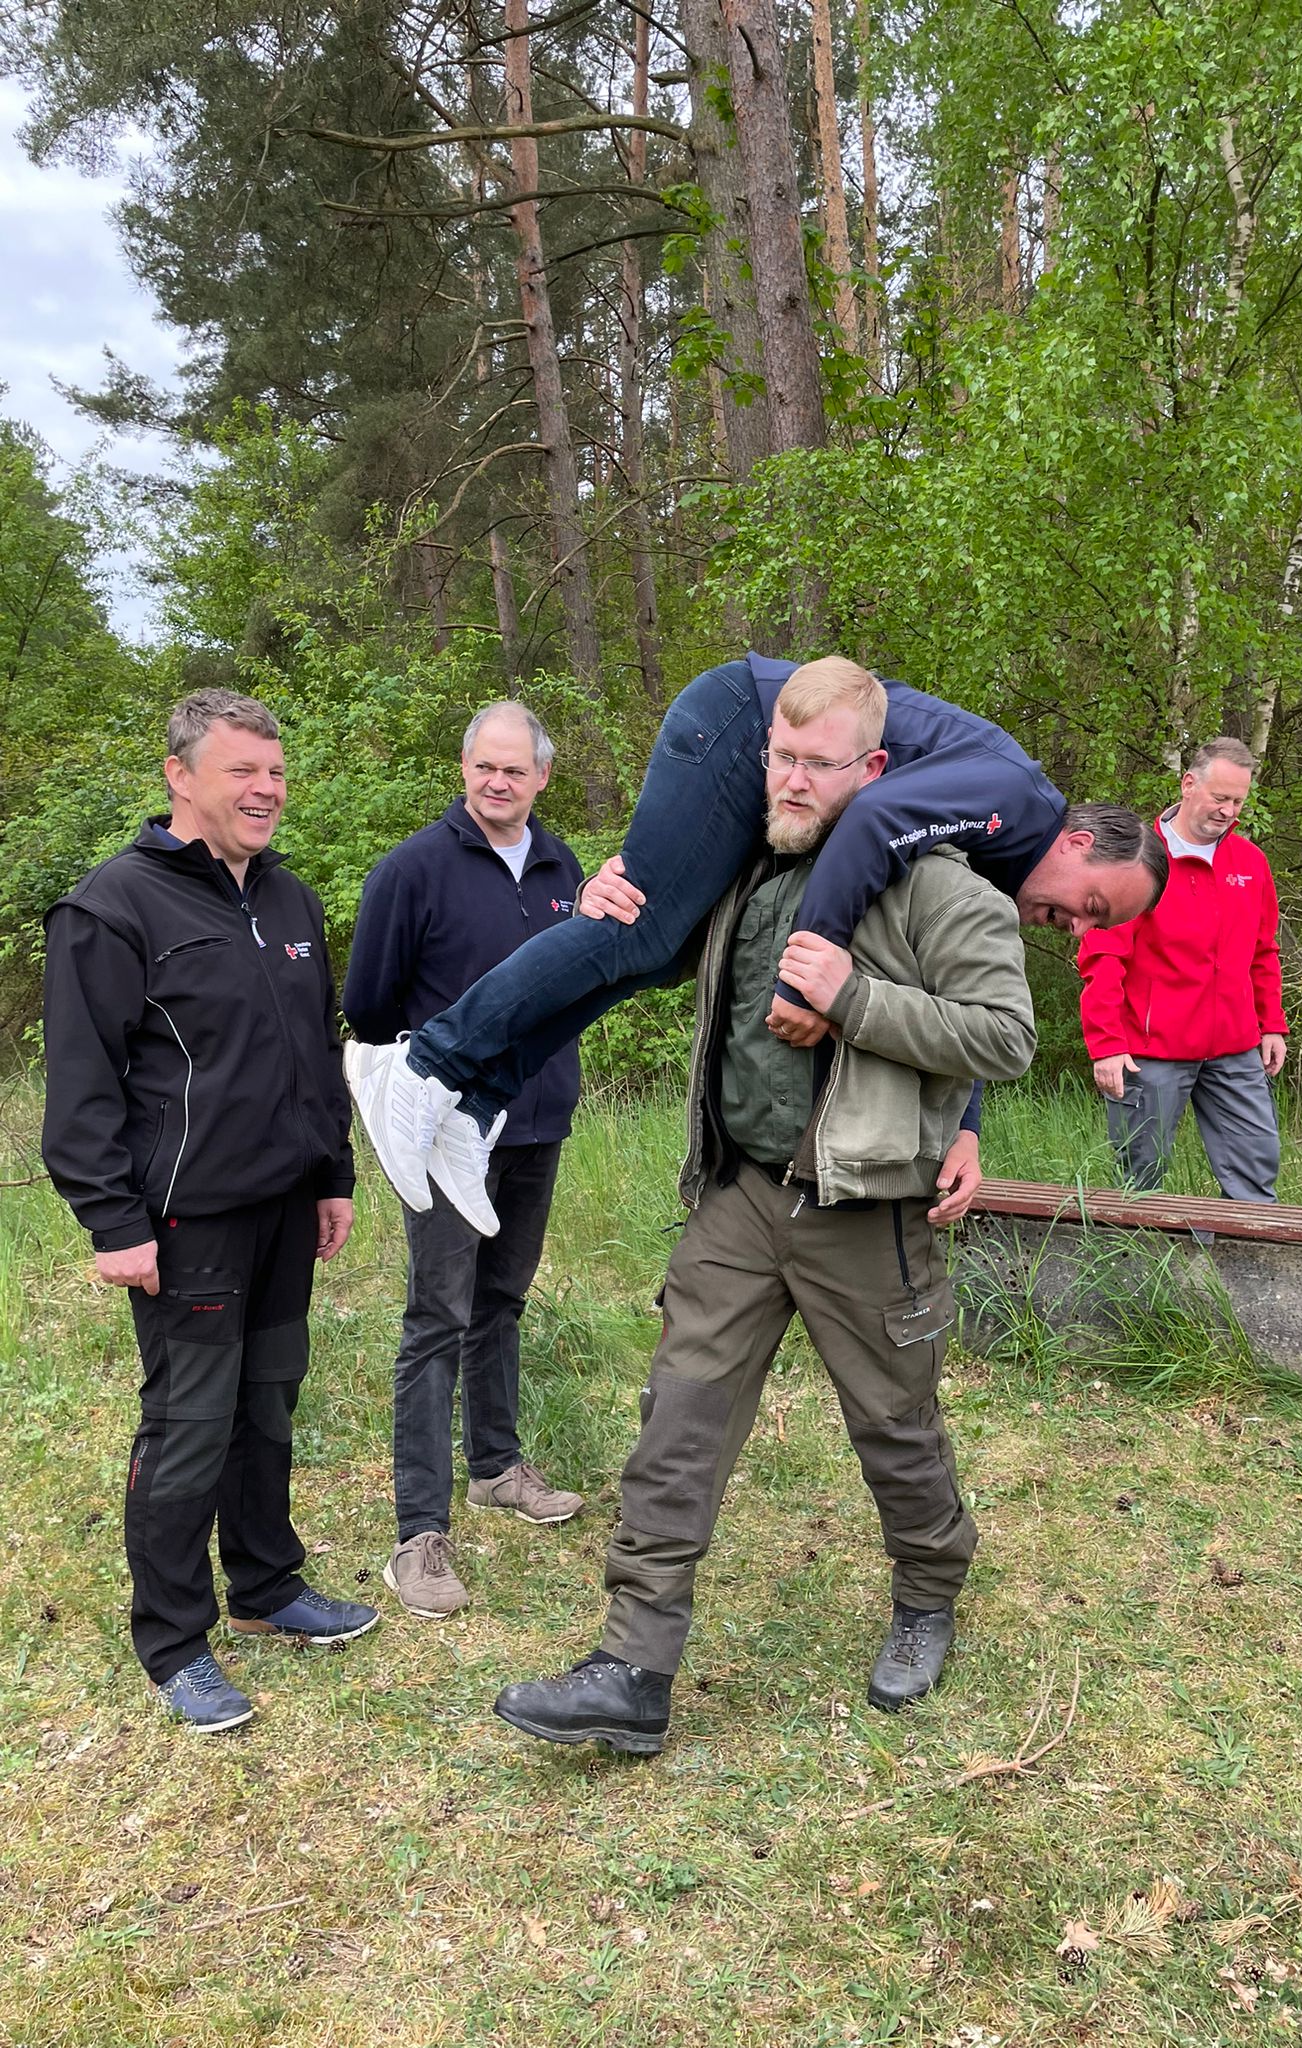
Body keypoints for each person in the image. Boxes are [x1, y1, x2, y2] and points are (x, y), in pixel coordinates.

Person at [490, 659, 1163, 1756]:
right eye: (786, 759)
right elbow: (648, 928)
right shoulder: (756, 862)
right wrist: (609, 884)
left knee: (895, 1425)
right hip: (742, 1192)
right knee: (678, 1421)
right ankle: (631, 1666)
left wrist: (854, 1000)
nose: (797, 778)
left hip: (868, 1211)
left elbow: (1003, 1036)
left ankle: (930, 1591)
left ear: (876, 766)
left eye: (819, 763)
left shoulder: (951, 888)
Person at [345, 652, 1168, 1229]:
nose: (1081, 928)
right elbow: (875, 818)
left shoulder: (999, 852)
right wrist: (801, 986)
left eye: (1100, 926)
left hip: (759, 739)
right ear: (1077, 843)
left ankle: (478, 1099)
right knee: (640, 924)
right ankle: (425, 1062)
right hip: (741, 722)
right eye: (1094, 903)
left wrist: (967, 1128)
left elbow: (944, 981)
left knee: (664, 955)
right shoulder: (1013, 801)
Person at [41, 689, 378, 1734]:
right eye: (244, 771)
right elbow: (83, 1086)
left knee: (268, 1401)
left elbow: (319, 1056)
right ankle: (174, 1637)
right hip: (185, 1222)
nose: (268, 789)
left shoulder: (291, 903)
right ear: (180, 776)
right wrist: (114, 1221)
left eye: (276, 772)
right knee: (190, 1422)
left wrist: (334, 1174)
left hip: (284, 1208)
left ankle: (269, 1581)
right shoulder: (114, 907)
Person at [343, 701, 585, 1621]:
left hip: (537, 1125)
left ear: (540, 779)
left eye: (514, 771)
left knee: (502, 1302)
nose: (496, 782)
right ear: (464, 767)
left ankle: (496, 1468)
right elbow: (368, 1008)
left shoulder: (568, 872)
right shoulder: (413, 870)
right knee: (436, 1315)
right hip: (444, 1135)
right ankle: (419, 1534)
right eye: (483, 767)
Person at [1077, 736, 1287, 1203]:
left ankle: (1251, 1269)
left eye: (1238, 801)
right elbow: (1103, 957)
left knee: (1257, 1167)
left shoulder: (1250, 863)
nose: (1229, 811)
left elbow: (1262, 951)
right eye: (1220, 798)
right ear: (1189, 784)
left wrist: (1271, 1024)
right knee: (1140, 1179)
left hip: (1235, 1046)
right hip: (1151, 1052)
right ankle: (1139, 1270)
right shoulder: (1139, 860)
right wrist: (1106, 1045)